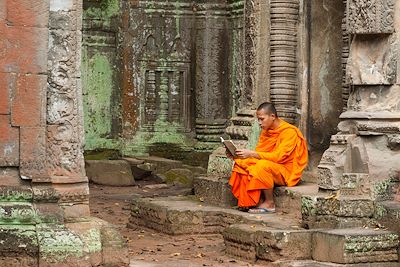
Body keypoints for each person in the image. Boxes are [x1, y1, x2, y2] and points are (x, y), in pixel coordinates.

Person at [227, 102, 308, 213]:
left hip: (286, 171)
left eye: (262, 119)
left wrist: (252, 154)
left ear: (272, 116)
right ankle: (252, 201)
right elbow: (261, 153)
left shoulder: (289, 132)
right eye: (258, 120)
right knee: (242, 164)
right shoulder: (267, 131)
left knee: (262, 165)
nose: (259, 123)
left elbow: (278, 157)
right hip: (272, 166)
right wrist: (236, 156)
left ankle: (270, 203)